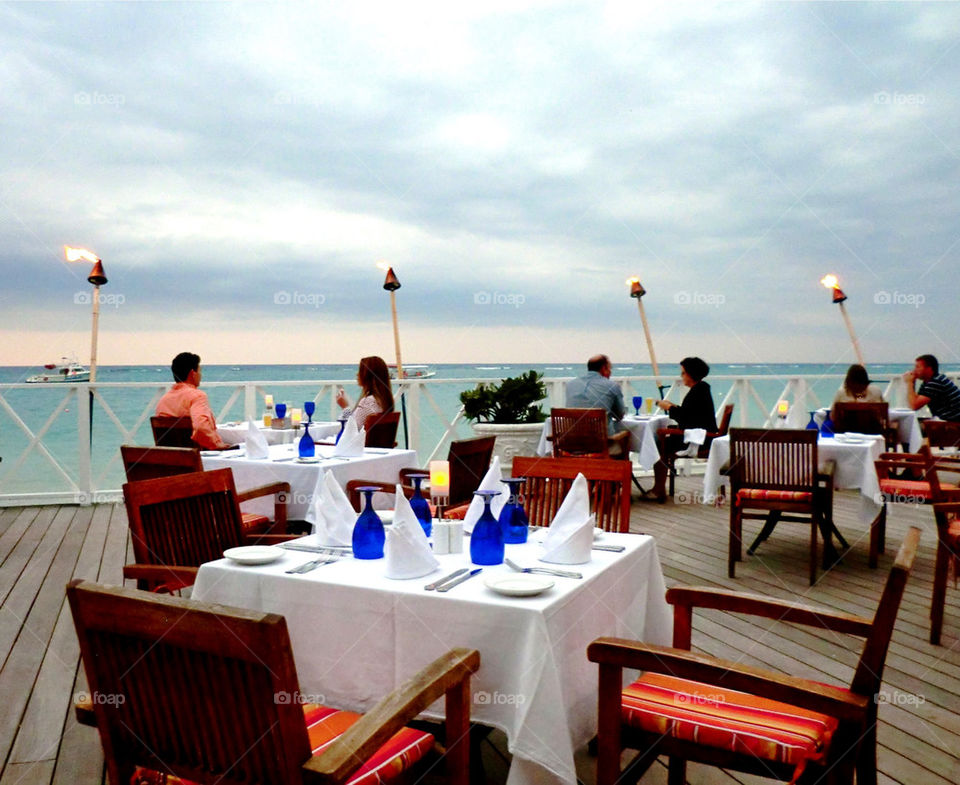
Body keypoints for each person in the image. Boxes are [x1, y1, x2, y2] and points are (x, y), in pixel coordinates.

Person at [651, 357, 718, 502]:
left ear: (690, 374)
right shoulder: (701, 389)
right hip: (706, 436)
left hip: (700, 440)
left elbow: (685, 419)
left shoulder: (697, 392)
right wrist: (672, 406)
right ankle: (659, 487)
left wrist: (668, 407)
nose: (681, 376)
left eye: (683, 373)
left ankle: (658, 489)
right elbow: (691, 414)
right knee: (662, 439)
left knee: (658, 444)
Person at [155, 352, 231, 450]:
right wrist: (216, 445)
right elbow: (201, 428)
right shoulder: (197, 396)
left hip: (172, 459)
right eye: (200, 371)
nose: (201, 375)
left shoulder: (163, 400)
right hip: (198, 458)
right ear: (193, 373)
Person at [564, 354, 626, 435]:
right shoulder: (612, 386)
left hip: (572, 444)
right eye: (610, 369)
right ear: (604, 368)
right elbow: (619, 416)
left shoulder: (570, 384)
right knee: (626, 437)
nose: (610, 372)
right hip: (600, 444)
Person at [335, 356, 395, 429]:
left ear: (367, 375)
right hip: (377, 440)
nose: (357, 374)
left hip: (360, 440)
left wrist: (345, 408)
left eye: (360, 371)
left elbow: (352, 430)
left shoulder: (368, 402)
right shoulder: (385, 401)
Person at [903, 354, 960, 422]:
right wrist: (912, 383)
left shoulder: (936, 382)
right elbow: (915, 400)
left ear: (929, 368)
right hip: (947, 419)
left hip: (953, 422)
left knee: (909, 424)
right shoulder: (930, 381)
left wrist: (909, 383)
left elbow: (914, 406)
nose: (914, 370)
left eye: (918, 367)